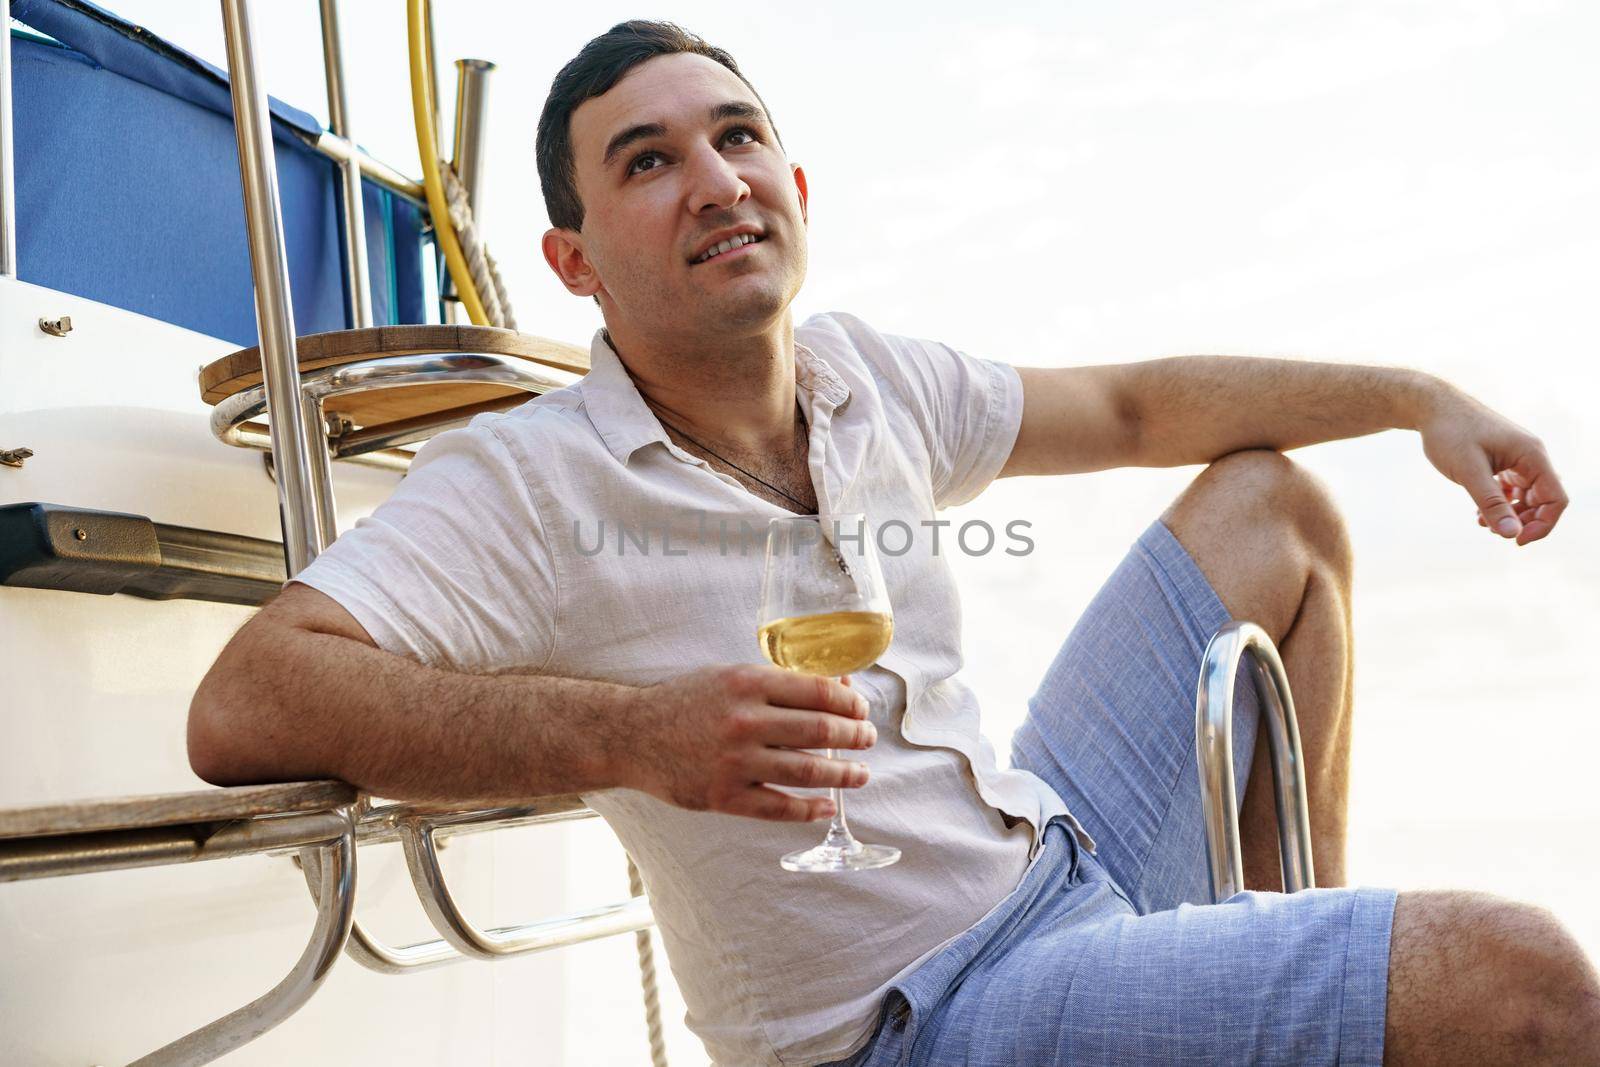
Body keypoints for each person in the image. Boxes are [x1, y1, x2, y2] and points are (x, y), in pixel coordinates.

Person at [187, 19, 1598, 1066]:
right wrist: (630, 736)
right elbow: (250, 695)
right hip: (929, 1018)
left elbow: (1130, 404)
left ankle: (1291, 974)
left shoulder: (870, 378)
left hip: (1053, 858)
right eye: (649, 161)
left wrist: (1423, 399)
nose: (716, 179)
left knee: (1274, 509)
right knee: (1525, 980)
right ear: (575, 263)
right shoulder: (530, 481)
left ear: (792, 181)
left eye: (736, 138)